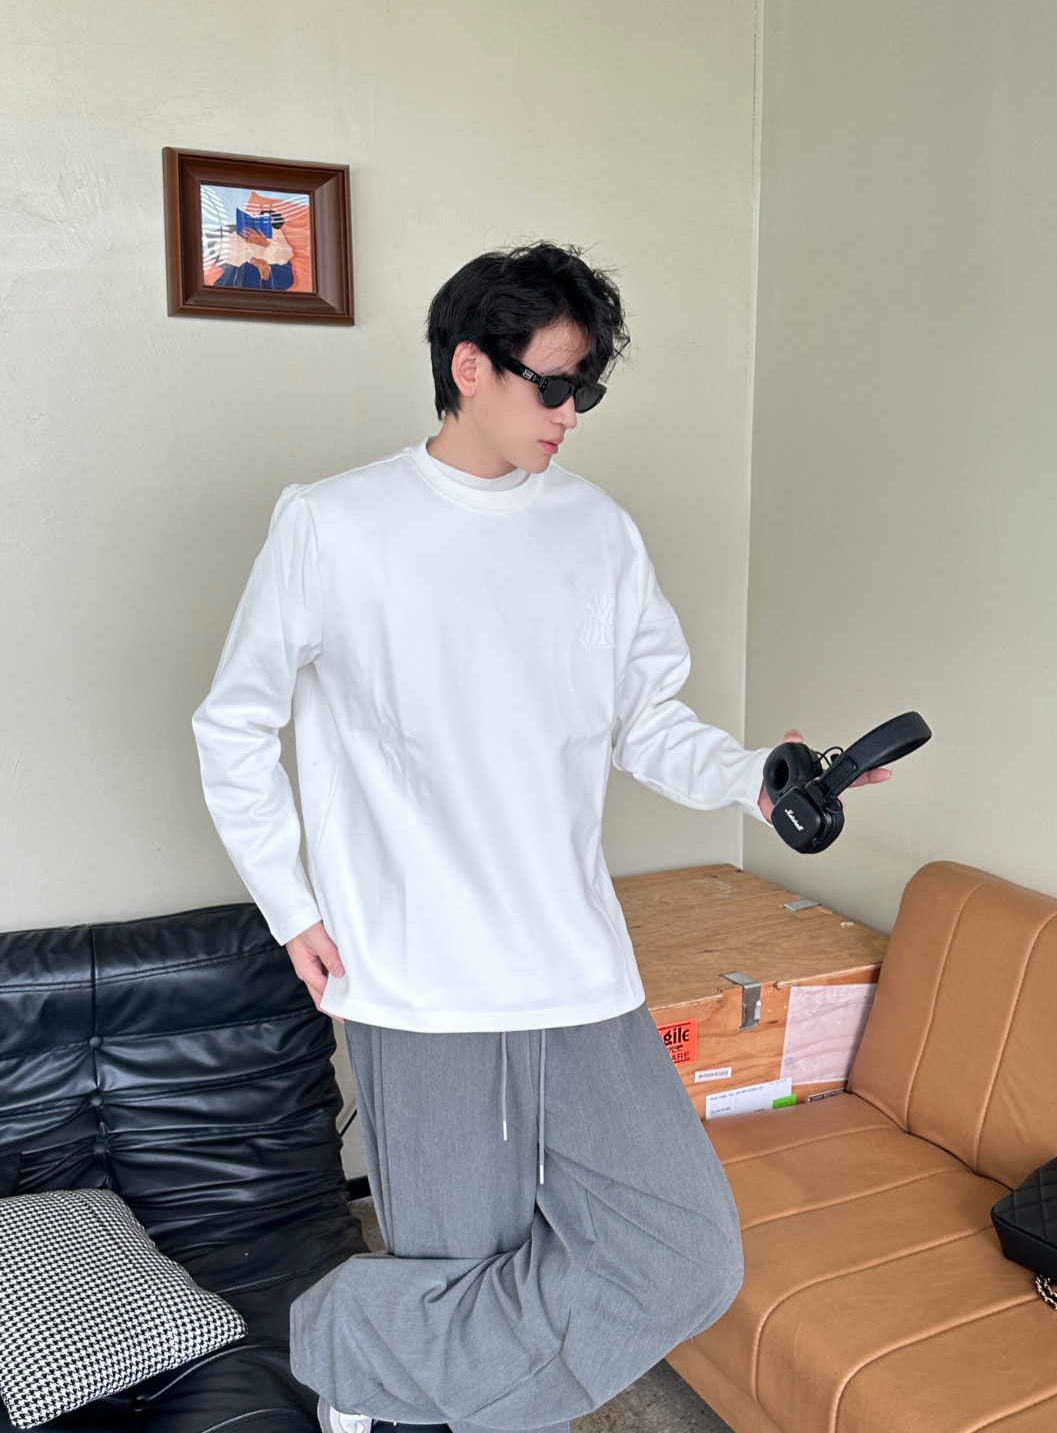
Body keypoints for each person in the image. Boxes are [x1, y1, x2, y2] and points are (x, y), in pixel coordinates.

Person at [192, 242, 888, 1433]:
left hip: (576, 965)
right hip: (421, 981)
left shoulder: (596, 531)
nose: (571, 413)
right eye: (553, 384)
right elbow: (233, 724)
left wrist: (758, 782)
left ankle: (352, 1349)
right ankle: (402, 1391)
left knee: (684, 1254)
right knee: (465, 1273)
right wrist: (290, 904)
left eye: (587, 389)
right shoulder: (333, 524)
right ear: (470, 367)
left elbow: (643, 722)